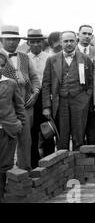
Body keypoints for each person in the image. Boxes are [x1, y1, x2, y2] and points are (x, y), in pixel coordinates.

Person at [42, 31, 93, 151]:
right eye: (66, 41)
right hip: (60, 103)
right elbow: (46, 84)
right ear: (61, 42)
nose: (69, 43)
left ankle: (79, 166)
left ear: (76, 41)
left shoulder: (85, 59)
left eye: (71, 41)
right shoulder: (52, 60)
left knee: (79, 136)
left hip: (80, 102)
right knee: (62, 137)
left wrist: (86, 98)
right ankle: (63, 165)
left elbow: (91, 81)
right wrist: (46, 107)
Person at [0, 25, 40, 171]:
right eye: (8, 39)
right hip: (6, 108)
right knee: (6, 142)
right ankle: (6, 177)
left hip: (26, 105)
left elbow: (35, 77)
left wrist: (35, 92)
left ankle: (24, 174)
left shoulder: (25, 57)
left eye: (15, 39)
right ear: (1, 40)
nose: (12, 42)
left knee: (25, 141)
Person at [26, 29, 54, 168]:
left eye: (38, 41)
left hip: (46, 98)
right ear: (28, 43)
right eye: (33, 42)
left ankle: (50, 162)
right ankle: (34, 164)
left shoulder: (50, 57)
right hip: (30, 99)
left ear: (42, 42)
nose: (36, 45)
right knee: (32, 133)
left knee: (48, 131)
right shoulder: (24, 58)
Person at [0, 52, 25, 201]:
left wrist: (19, 124)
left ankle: (3, 196)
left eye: (1, 65)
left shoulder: (10, 83)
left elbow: (19, 106)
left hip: (6, 130)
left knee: (4, 166)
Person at [76, 24, 95, 145]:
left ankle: (92, 157)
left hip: (92, 95)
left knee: (92, 129)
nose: (87, 36)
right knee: (78, 130)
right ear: (78, 35)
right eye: (84, 33)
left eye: (89, 34)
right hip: (76, 96)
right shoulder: (72, 50)